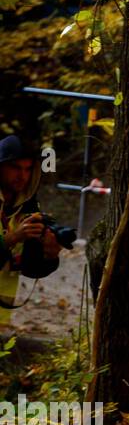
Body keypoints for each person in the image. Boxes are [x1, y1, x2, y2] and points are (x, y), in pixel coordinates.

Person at [0, 135, 64, 328]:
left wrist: (50, 255)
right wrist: (13, 237)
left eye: (29, 169)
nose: (23, 176)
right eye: (16, 168)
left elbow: (30, 268)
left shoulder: (27, 207)